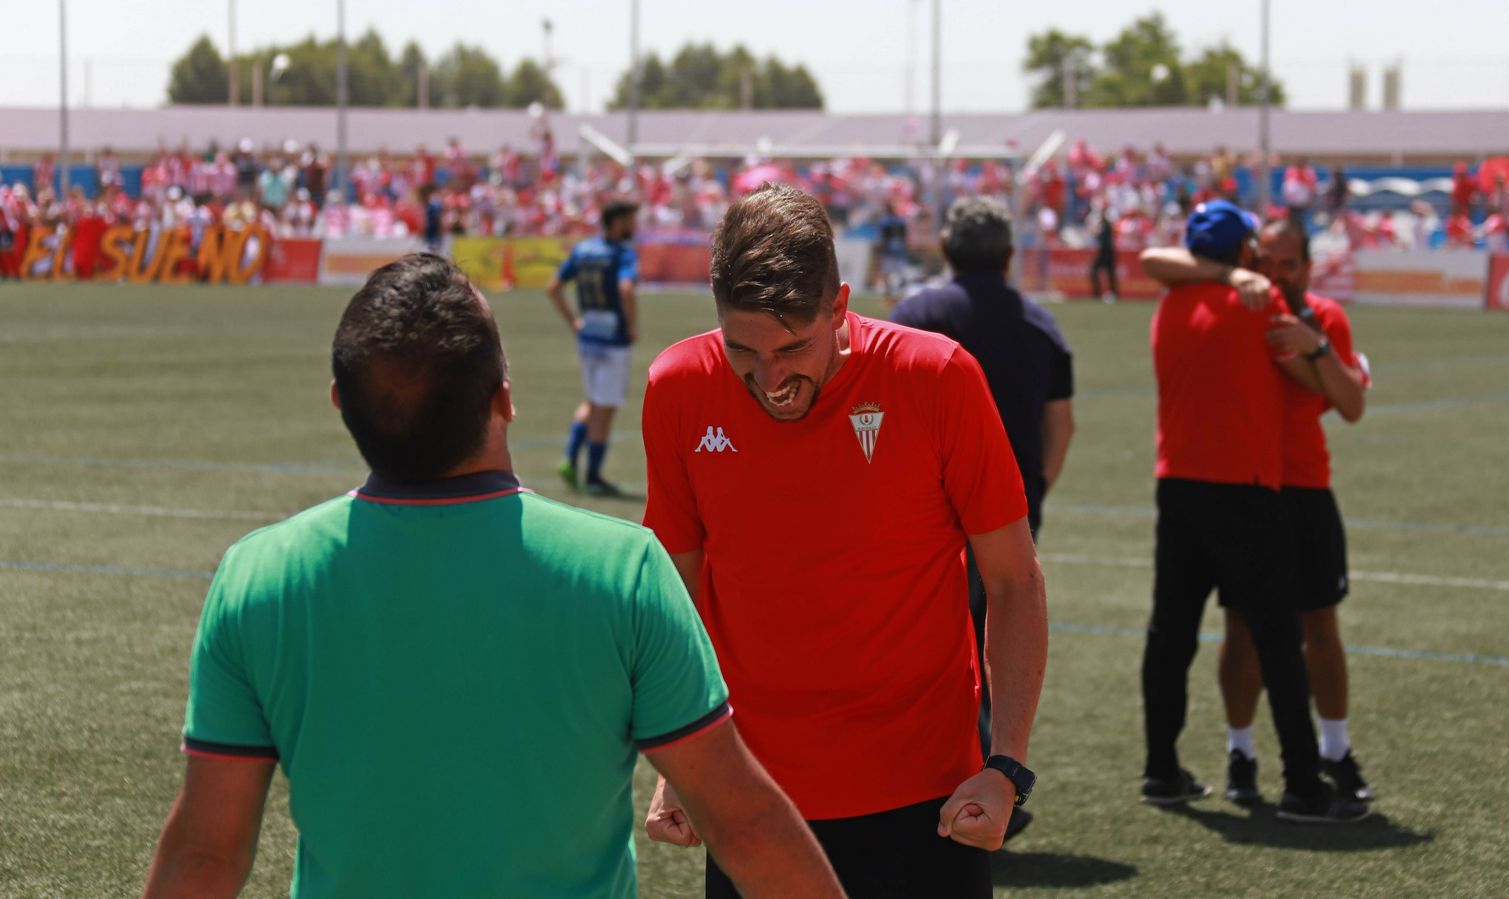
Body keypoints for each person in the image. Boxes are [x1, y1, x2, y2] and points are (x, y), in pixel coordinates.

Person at [141, 253, 844, 899]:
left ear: (341, 404)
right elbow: (744, 824)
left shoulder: (259, 577)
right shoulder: (620, 571)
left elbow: (206, 853)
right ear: (504, 397)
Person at [640, 184, 1048, 897]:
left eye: (793, 347)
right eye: (743, 349)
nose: (769, 379)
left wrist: (1006, 763)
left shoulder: (937, 377)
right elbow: (679, 587)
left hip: (927, 804)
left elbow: (1014, 579)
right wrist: (684, 761)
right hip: (751, 800)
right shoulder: (677, 386)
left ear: (839, 306)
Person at [1139, 200, 1367, 822]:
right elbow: (1334, 393)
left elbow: (1154, 261)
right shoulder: (1258, 308)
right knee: (1277, 635)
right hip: (1247, 488)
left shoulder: (1169, 306)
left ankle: (1161, 768)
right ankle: (1303, 783)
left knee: (1171, 635)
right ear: (1245, 254)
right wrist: (1323, 354)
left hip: (1177, 485)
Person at [889, 197, 1074, 800]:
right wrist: (1034, 493)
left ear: (944, 249)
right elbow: (1061, 425)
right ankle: (993, 774)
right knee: (997, 637)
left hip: (921, 513)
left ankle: (941, 781)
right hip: (1006, 512)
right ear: (1010, 255)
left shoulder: (912, 315)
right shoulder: (1040, 325)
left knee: (928, 649)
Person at [547, 199, 640, 496]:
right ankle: (592, 476)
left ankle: (571, 460)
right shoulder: (622, 254)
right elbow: (626, 289)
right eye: (629, 220)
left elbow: (553, 287)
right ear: (617, 222)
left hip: (588, 337)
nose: (633, 226)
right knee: (605, 408)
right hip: (613, 341)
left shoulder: (584, 250)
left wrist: (573, 320)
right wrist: (632, 324)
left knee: (592, 401)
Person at [1088, 202, 1119, 302]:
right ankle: (1104, 293)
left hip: (1107, 251)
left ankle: (1103, 293)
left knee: (1106, 272)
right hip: (1106, 251)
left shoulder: (1106, 224)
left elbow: (1097, 233)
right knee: (1109, 273)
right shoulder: (1104, 223)